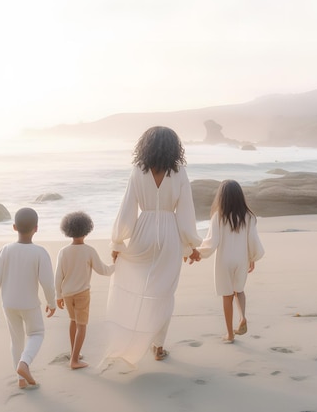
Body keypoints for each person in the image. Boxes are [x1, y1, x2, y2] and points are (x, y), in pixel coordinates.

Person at [105, 126, 202, 366]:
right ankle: (158, 346)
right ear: (174, 147)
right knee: (165, 293)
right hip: (169, 235)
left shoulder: (138, 171)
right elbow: (186, 212)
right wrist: (190, 245)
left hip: (143, 231)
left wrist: (118, 240)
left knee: (140, 289)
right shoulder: (179, 172)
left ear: (145, 146)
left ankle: (134, 336)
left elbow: (127, 208)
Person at [0, 207, 56, 390]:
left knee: (16, 340)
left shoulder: (5, 250)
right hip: (30, 304)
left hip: (8, 304)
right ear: (36, 228)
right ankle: (24, 364)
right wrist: (51, 302)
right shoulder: (40, 252)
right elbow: (47, 283)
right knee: (36, 333)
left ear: (14, 227)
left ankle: (21, 380)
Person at [193, 180, 264, 343]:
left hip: (224, 260)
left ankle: (230, 334)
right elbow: (252, 240)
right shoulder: (249, 217)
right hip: (241, 259)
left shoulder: (218, 216)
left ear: (222, 197)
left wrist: (198, 253)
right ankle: (242, 318)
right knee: (239, 290)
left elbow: (212, 241)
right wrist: (252, 258)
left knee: (227, 296)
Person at [55, 211, 115, 369]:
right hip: (82, 294)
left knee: (73, 321)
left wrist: (58, 296)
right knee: (82, 325)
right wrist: (117, 264)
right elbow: (103, 270)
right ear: (87, 229)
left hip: (67, 293)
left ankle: (74, 352)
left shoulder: (63, 252)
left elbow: (58, 276)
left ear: (67, 230)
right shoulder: (89, 251)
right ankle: (74, 360)